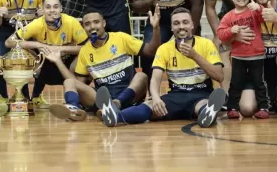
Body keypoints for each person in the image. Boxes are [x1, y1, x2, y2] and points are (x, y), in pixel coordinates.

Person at [95, 8, 226, 129]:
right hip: (176, 95)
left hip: (200, 94)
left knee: (203, 105)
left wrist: (195, 56)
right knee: (151, 106)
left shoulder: (207, 44)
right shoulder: (164, 48)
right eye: (176, 23)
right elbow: (155, 79)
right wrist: (156, 98)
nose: (181, 26)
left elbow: (219, 76)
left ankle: (208, 112)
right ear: (172, 27)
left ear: (192, 25)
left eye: (185, 22)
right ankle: (115, 116)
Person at [47, 6, 160, 122]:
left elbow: (151, 51)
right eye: (87, 24)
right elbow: (77, 84)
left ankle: (116, 104)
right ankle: (74, 110)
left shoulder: (120, 38)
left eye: (96, 22)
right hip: (103, 99)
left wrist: (155, 28)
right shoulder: (85, 51)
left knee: (141, 76)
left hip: (129, 95)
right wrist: (58, 61)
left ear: (104, 23)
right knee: (68, 81)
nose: (92, 27)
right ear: (84, 28)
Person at [4, 0, 88, 109]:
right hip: (45, 64)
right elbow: (9, 42)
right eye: (48, 7)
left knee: (86, 58)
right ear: (42, 9)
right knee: (22, 54)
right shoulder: (37, 24)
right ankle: (26, 97)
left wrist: (60, 49)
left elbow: (87, 48)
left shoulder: (71, 22)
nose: (52, 10)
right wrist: (38, 44)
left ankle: (81, 99)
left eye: (55, 7)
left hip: (67, 63)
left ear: (61, 8)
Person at [217, 0, 268, 119]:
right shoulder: (228, 16)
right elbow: (220, 34)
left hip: (257, 55)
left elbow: (265, 19)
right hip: (238, 56)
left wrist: (260, 8)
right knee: (236, 82)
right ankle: (232, 107)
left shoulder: (253, 11)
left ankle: (264, 107)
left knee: (259, 82)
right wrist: (230, 30)